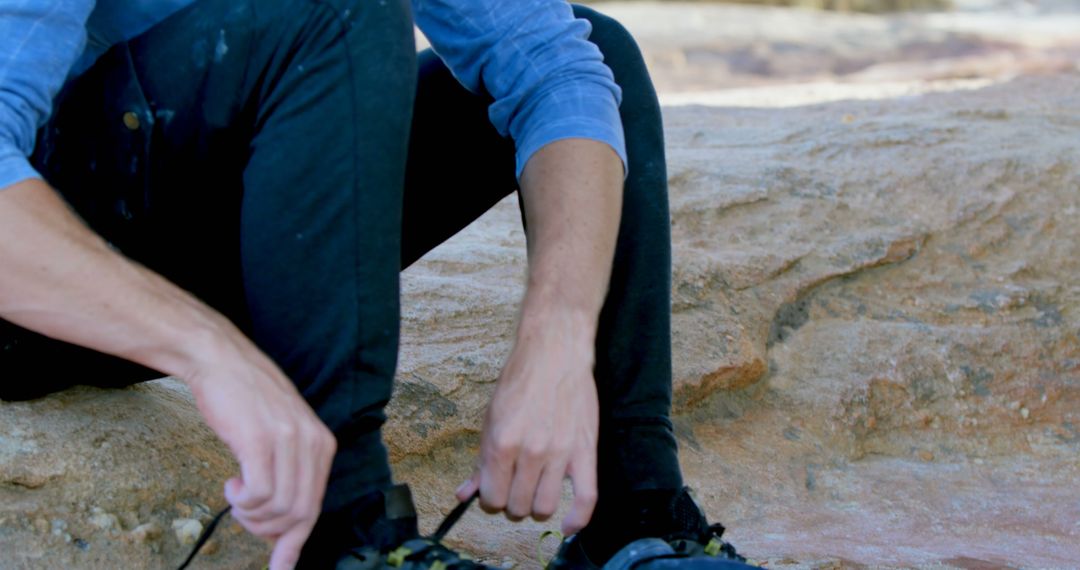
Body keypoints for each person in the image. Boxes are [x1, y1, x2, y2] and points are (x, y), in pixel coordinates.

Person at [0, 1, 754, 569]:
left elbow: (555, 70)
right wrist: (210, 350)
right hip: (43, 284)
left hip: (232, 230)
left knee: (601, 56)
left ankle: (635, 519)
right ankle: (347, 531)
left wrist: (558, 332)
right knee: (336, 6)